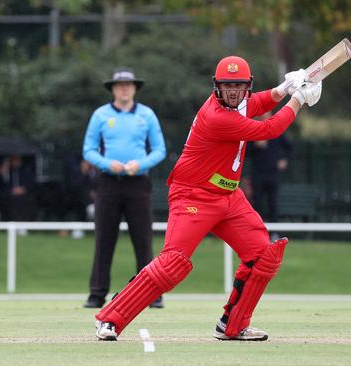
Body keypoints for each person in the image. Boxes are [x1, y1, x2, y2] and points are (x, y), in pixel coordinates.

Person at [93, 56, 322, 341]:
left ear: (246, 87)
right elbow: (269, 129)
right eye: (228, 86)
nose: (234, 92)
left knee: (263, 255)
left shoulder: (238, 103)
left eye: (239, 87)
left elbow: (259, 103)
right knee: (172, 264)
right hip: (193, 195)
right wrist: (298, 98)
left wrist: (283, 89)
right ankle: (109, 319)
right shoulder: (217, 116)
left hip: (228, 195)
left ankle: (233, 325)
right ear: (217, 87)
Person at [82, 67, 167, 309]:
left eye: (128, 85)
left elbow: (159, 149)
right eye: (120, 85)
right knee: (104, 239)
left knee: (143, 240)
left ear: (135, 88)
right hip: (108, 182)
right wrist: (109, 164)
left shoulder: (147, 115)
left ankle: (151, 293)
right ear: (112, 89)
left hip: (138, 183)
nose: (124, 89)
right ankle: (97, 294)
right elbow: (88, 149)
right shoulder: (100, 115)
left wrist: (139, 165)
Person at [246, 135, 294, 229]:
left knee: (273, 204)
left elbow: (290, 148)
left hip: (273, 174)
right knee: (257, 203)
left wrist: (285, 160)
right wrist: (255, 145)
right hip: (257, 174)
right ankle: (256, 230)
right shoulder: (254, 132)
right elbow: (244, 152)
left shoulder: (276, 133)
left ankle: (274, 232)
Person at [0, 154, 36, 222]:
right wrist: (1, 173)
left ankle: (23, 222)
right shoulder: (6, 171)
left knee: (26, 201)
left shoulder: (26, 171)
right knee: (10, 201)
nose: (15, 162)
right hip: (9, 195)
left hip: (24, 196)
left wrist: (23, 189)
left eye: (17, 160)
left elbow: (31, 184)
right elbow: (1, 185)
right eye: (13, 160)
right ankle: (12, 221)